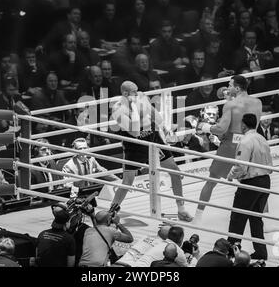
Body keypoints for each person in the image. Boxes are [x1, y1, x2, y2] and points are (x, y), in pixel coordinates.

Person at [110, 81, 193, 222]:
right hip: (134, 145)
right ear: (125, 94)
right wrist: (134, 107)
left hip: (153, 139)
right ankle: (111, 212)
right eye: (134, 92)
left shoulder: (142, 97)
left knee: (175, 171)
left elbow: (155, 116)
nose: (138, 93)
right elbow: (135, 132)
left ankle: (181, 209)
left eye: (137, 90)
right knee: (127, 181)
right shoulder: (118, 109)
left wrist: (165, 129)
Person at [193, 75, 262, 223]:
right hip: (251, 142)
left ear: (237, 88)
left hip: (231, 145)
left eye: (230, 85)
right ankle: (260, 221)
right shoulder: (258, 102)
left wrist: (204, 126)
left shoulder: (231, 105)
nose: (227, 88)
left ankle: (197, 219)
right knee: (254, 182)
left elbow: (221, 128)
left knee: (211, 182)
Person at [226, 113, 273, 260]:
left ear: (244, 125)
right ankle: (261, 252)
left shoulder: (246, 141)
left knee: (237, 218)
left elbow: (241, 165)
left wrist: (231, 176)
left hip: (251, 183)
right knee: (255, 218)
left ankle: (231, 250)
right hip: (265, 180)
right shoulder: (262, 138)